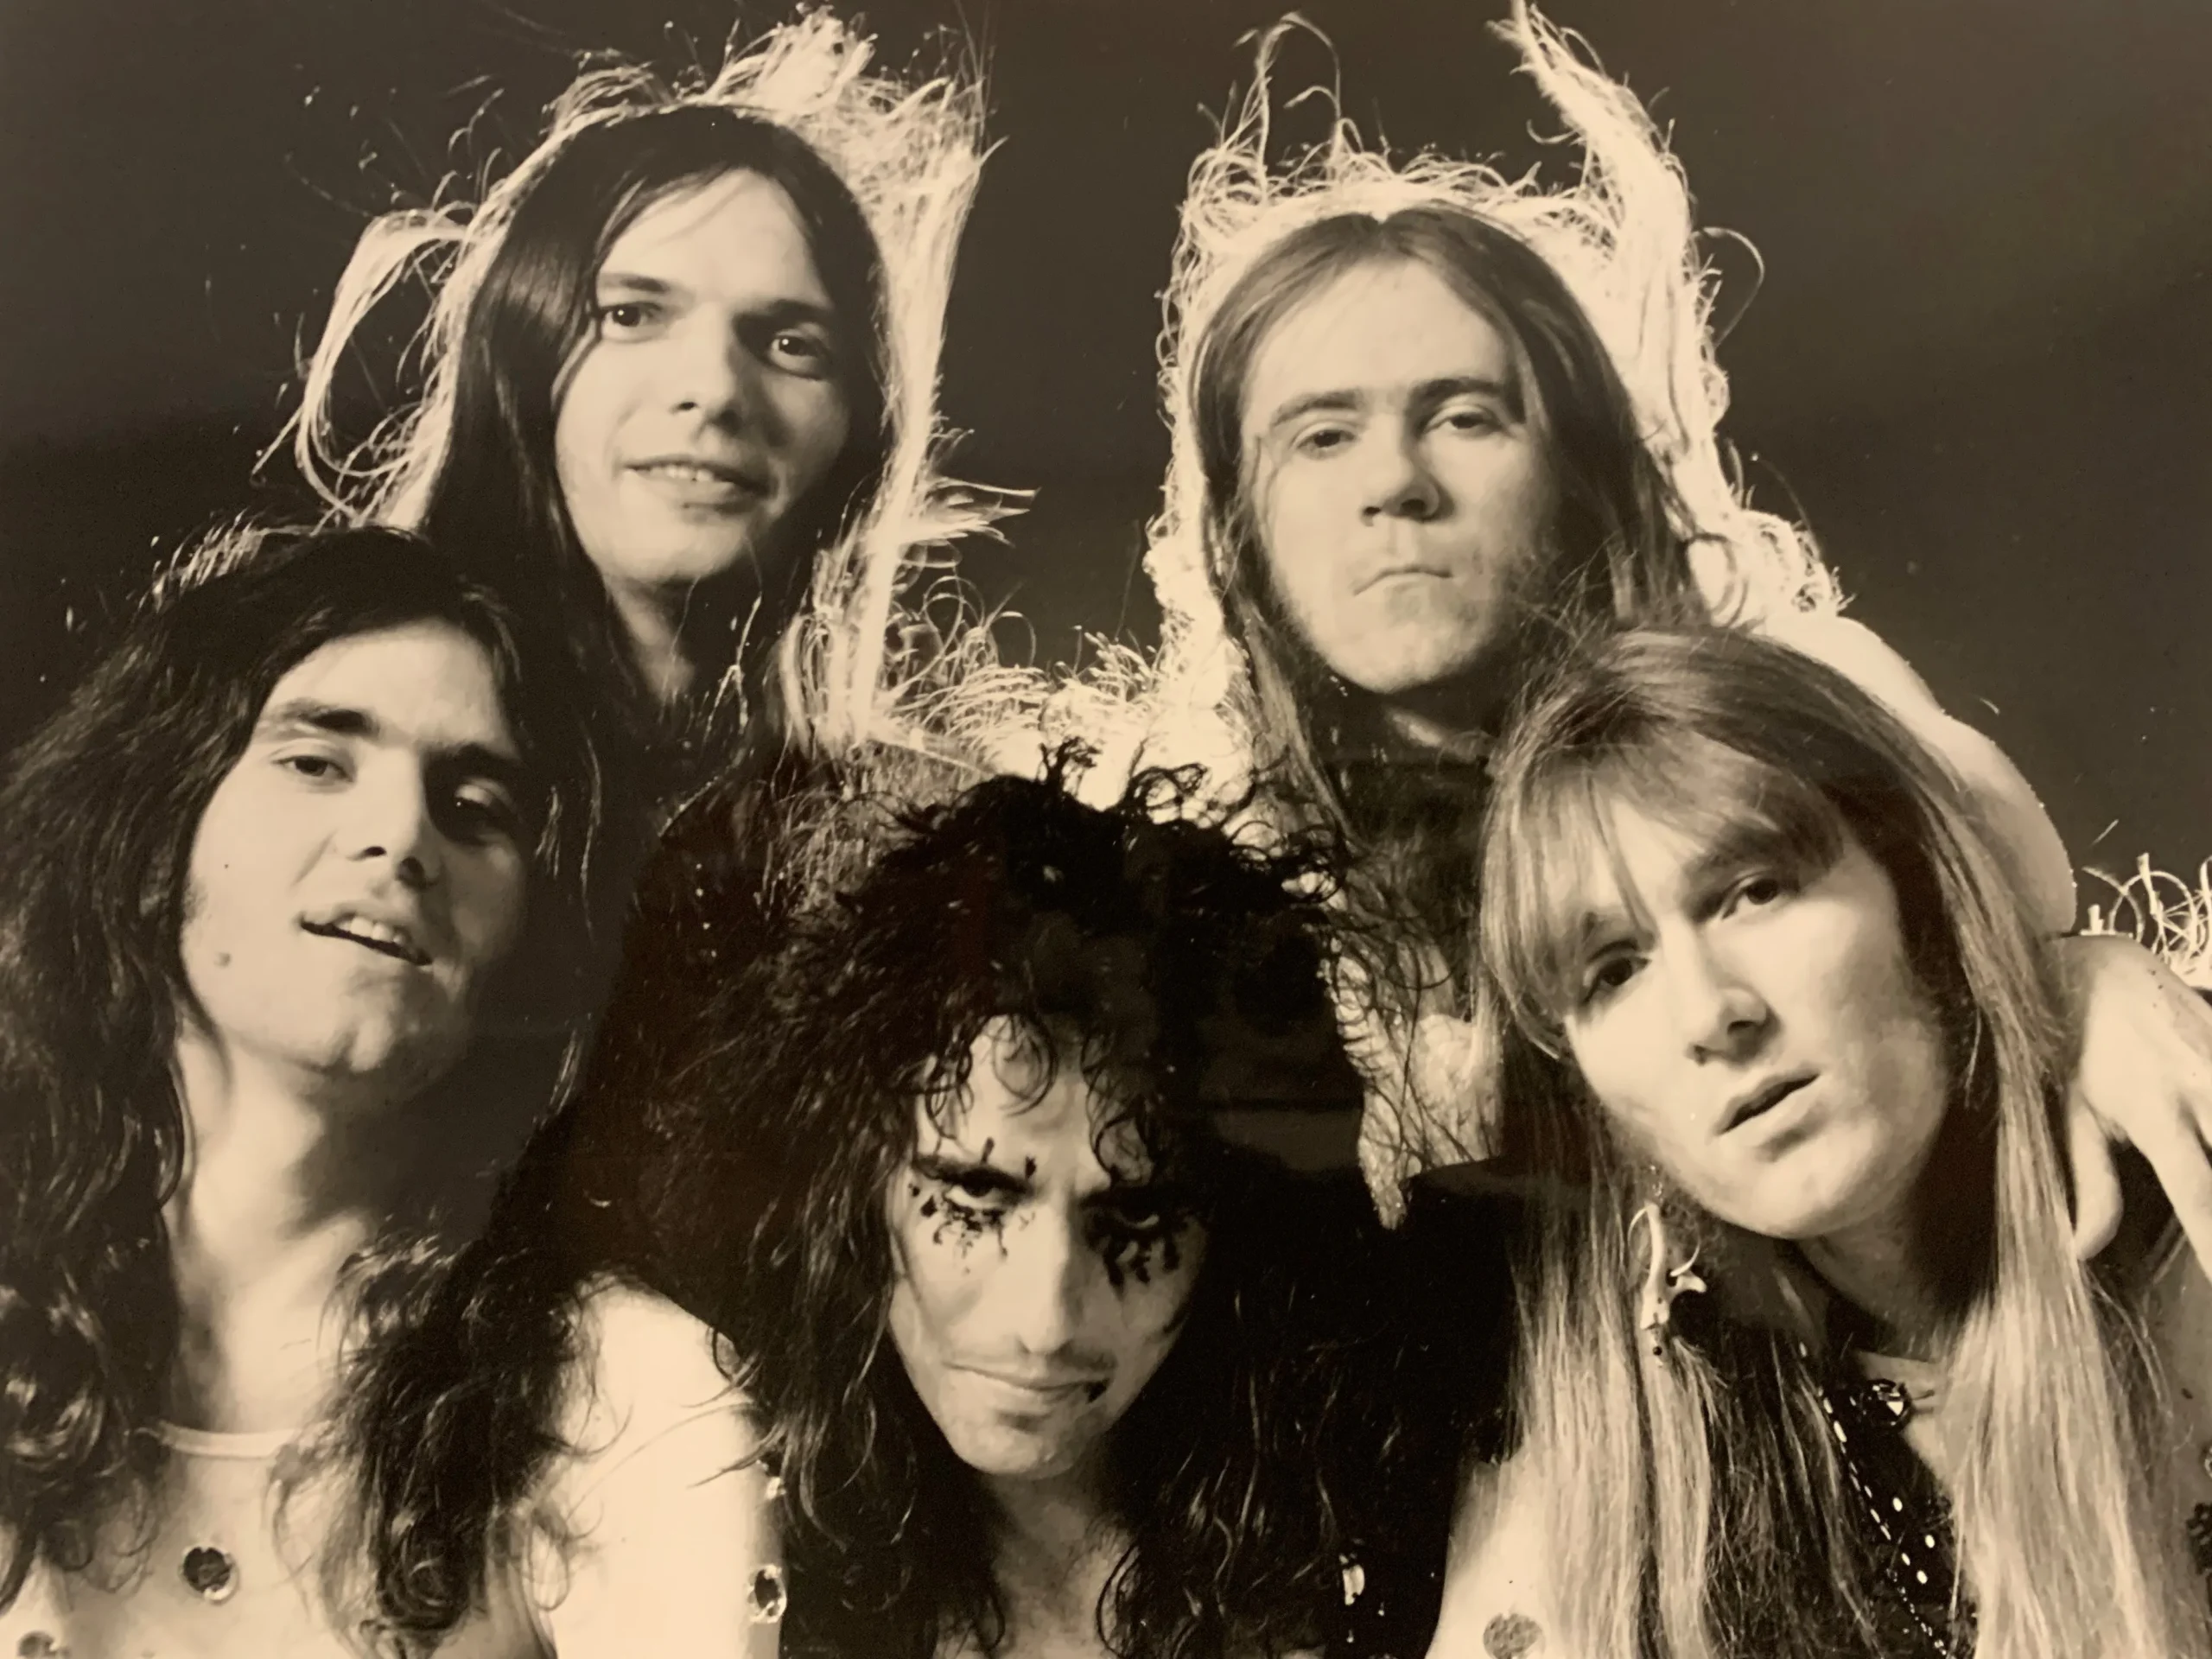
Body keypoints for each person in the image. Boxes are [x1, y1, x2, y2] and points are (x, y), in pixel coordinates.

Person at [1111, 1, 2212, 1249]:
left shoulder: (1790, 708)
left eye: (1465, 416)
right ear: (1238, 535)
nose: (1396, 484)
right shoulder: (1193, 868)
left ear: (1578, 473)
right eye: (1321, 437)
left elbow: (2012, 911)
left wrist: (2086, 987)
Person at [329, 755, 1462, 1659]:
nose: (1047, 1317)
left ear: (1236, 1228)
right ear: (848, 1180)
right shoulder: (666, 1472)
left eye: (1133, 1221)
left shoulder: (1373, 1532)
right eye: (975, 1195)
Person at [0, 527, 766, 1657]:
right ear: (157, 821)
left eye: (477, 807)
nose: (402, 837)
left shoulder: (624, 1394)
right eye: (317, 761)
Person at [1432, 624, 2209, 1658]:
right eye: (1613, 969)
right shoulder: (1615, 1413)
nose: (1709, 1013)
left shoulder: (2179, 1228)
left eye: (1754, 890)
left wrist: (2077, 977)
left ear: (1921, 898)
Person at [289, 12, 1003, 812]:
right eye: (631, 315)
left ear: (859, 430)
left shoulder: (935, 822)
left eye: (790, 344)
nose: (717, 391)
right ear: (521, 364)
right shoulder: (314, 728)